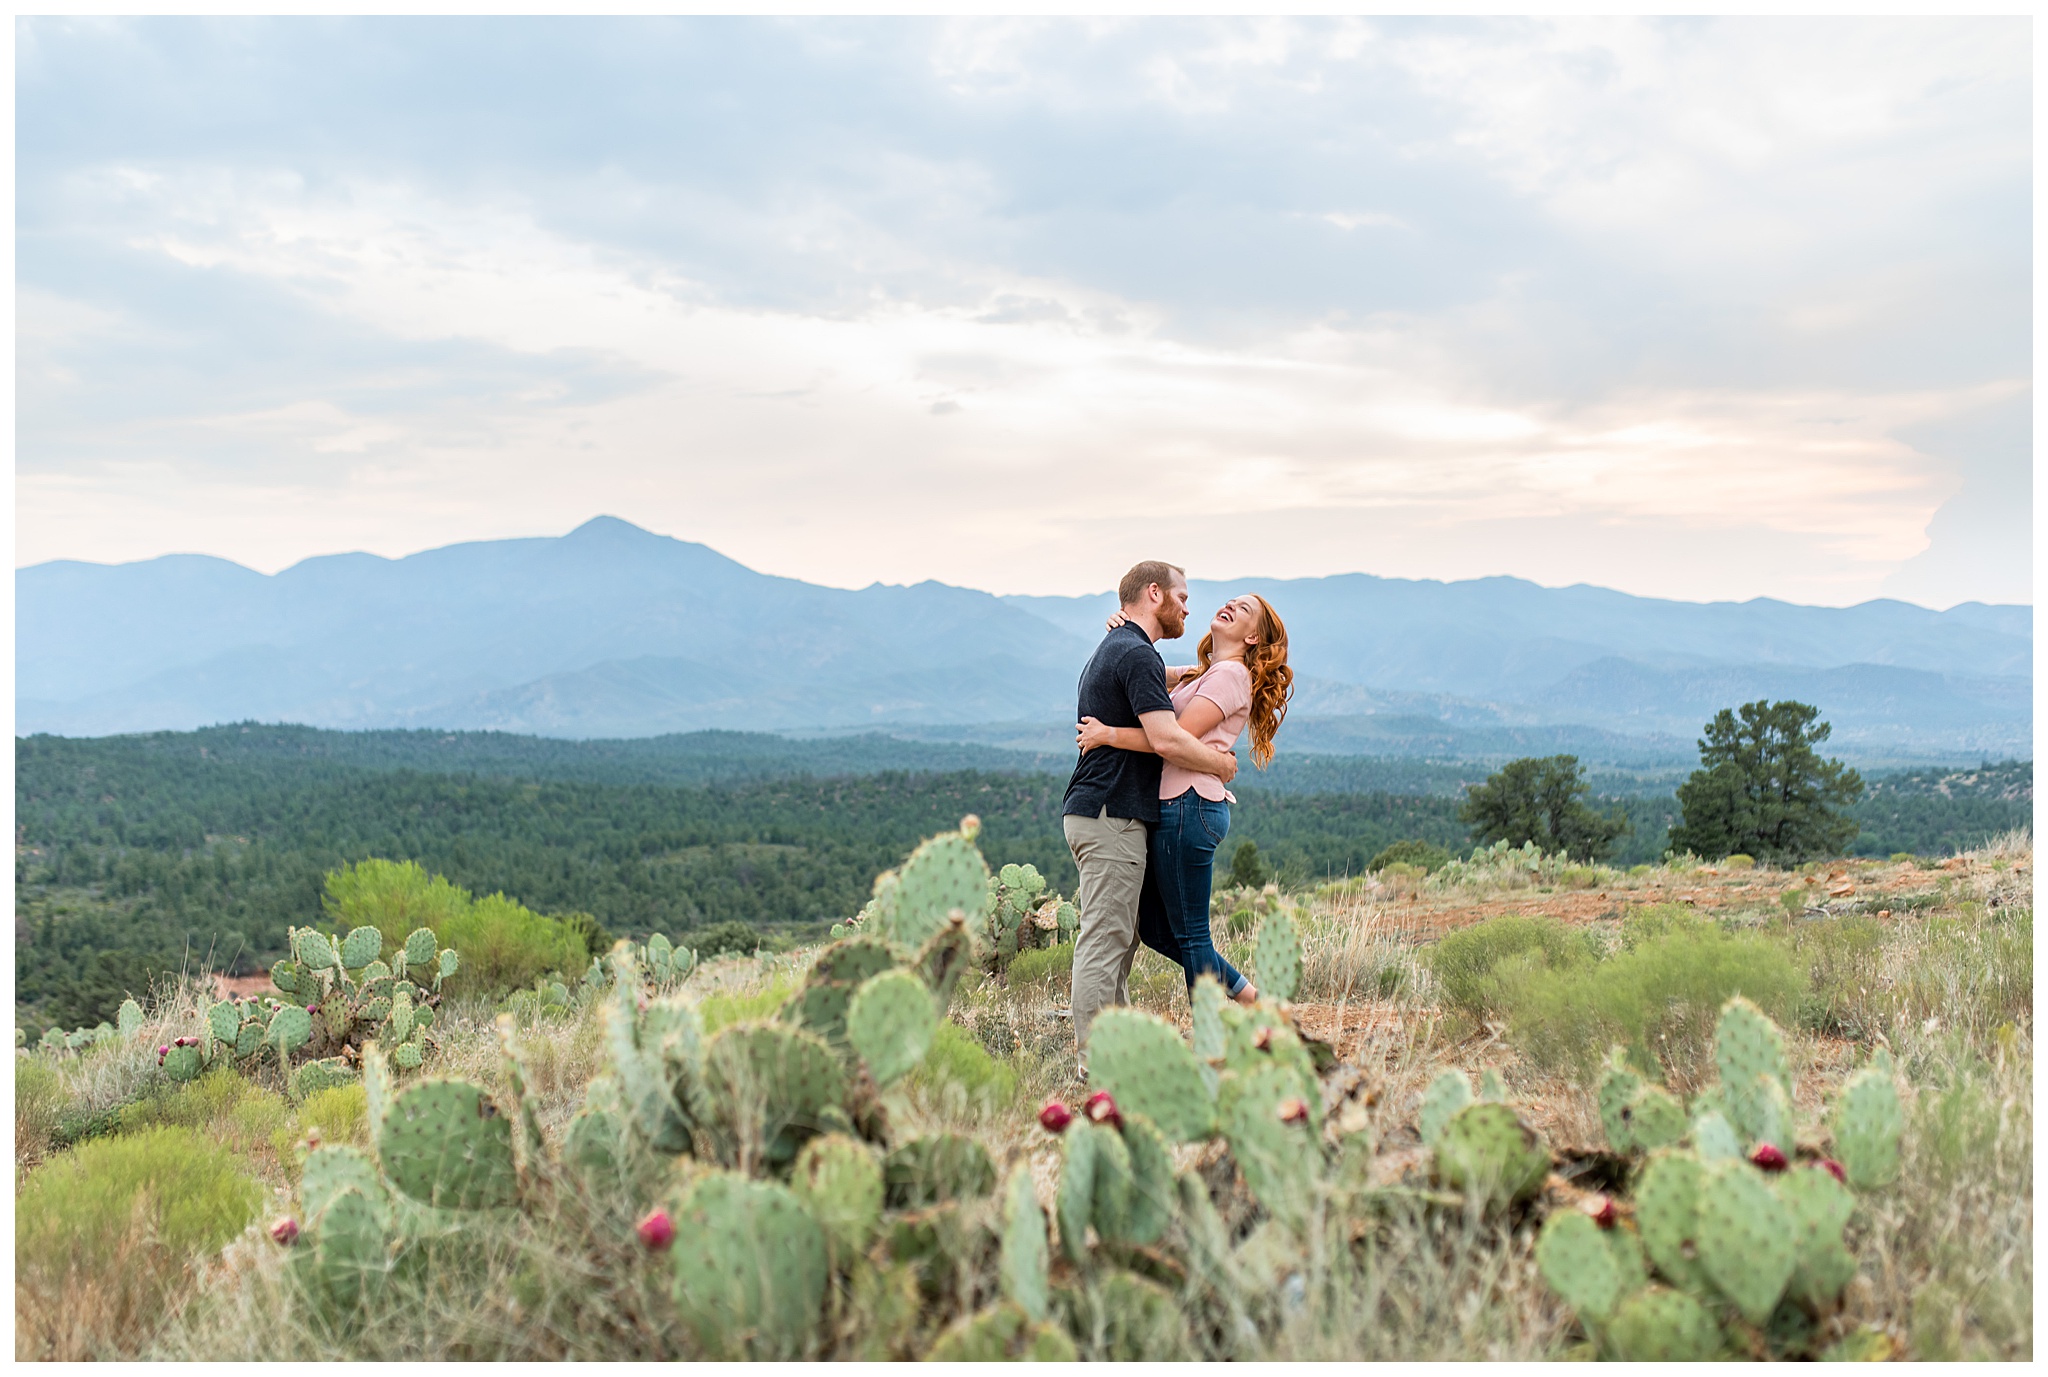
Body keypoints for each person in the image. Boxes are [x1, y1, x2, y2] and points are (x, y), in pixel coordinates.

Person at [1062, 560, 1240, 1077]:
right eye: (1182, 596)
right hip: (1110, 811)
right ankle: (1096, 1064)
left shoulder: (1124, 649)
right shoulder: (1134, 652)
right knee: (1105, 938)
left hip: (1102, 810)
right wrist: (1221, 765)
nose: (1189, 606)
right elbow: (1165, 738)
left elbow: (1152, 681)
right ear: (1155, 594)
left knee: (1119, 936)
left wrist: (1189, 673)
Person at [1079, 591, 1292, 1007]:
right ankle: (1255, 1002)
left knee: (1193, 935)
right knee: (1158, 930)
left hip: (1190, 805)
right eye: (1231, 601)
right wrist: (1128, 634)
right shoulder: (1213, 672)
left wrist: (1108, 734)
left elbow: (1172, 739)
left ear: (1252, 638)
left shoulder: (1231, 677)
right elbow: (1151, 677)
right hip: (1176, 806)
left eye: (1243, 609)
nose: (1229, 605)